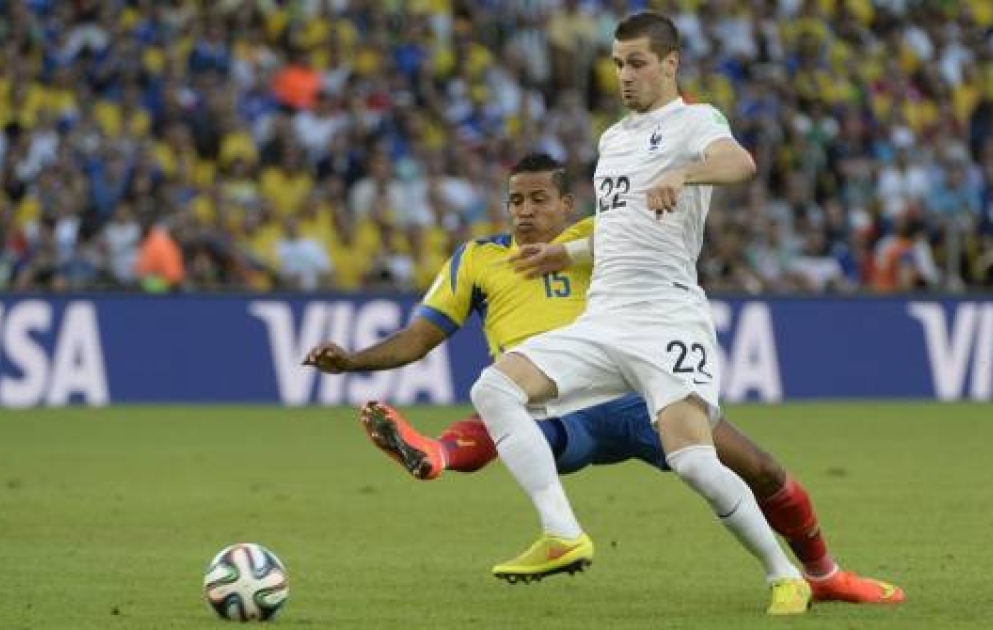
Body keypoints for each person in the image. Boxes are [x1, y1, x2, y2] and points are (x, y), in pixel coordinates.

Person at [305, 152, 904, 606]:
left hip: (639, 392)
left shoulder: (602, 238)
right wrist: (352, 362)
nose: (525, 211)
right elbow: (419, 337)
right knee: (506, 405)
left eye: (539, 199)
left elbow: (660, 240)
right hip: (559, 406)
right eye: (515, 201)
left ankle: (824, 576)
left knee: (763, 470)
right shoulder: (478, 258)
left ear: (568, 205)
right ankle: (435, 455)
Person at [475, 11, 808, 614]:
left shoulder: (695, 121)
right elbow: (623, 225)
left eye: (637, 63)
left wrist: (685, 172)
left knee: (695, 464)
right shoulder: (614, 140)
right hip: (605, 319)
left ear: (670, 64)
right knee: (494, 388)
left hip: (666, 318)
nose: (625, 75)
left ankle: (783, 574)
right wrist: (566, 252)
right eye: (617, 64)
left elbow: (740, 164)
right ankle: (562, 533)